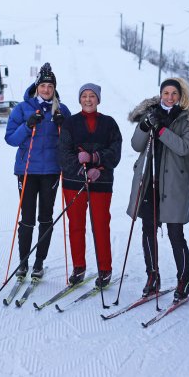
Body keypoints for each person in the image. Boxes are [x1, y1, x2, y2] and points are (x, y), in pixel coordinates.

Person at [127, 78, 189, 301]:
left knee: (175, 234)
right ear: (160, 94)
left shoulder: (188, 118)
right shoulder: (150, 113)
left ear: (180, 96)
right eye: (166, 93)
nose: (169, 97)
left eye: (174, 93)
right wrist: (145, 126)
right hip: (148, 180)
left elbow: (184, 147)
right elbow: (136, 145)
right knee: (148, 229)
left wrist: (160, 130)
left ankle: (184, 278)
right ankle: (152, 276)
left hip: (173, 184)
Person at [5, 63, 70, 279]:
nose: (46, 89)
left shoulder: (61, 109)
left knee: (45, 217)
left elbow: (72, 141)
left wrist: (64, 125)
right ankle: (23, 262)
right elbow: (10, 138)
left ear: (54, 88)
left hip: (51, 171)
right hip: (27, 170)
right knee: (27, 218)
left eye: (50, 86)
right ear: (37, 87)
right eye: (43, 85)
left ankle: (39, 262)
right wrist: (27, 125)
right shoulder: (23, 108)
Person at [58, 83, 122, 288]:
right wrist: (80, 168)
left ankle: (105, 268)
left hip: (101, 182)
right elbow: (64, 153)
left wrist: (96, 161)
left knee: (100, 225)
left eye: (92, 96)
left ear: (98, 99)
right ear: (79, 99)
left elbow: (115, 152)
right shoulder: (70, 123)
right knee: (76, 225)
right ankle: (79, 267)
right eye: (84, 95)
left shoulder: (109, 123)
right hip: (73, 182)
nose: (88, 99)